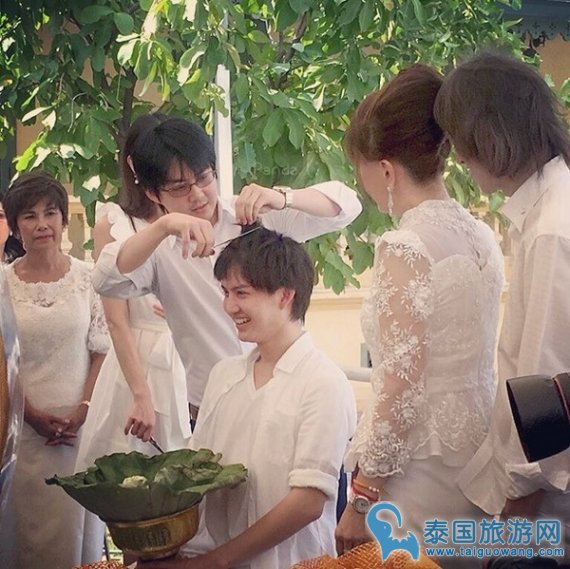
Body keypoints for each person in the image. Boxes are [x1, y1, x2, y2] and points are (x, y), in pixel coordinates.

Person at [335, 64, 504, 568]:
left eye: (361, 169)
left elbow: (401, 385)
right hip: (478, 463)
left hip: (417, 472)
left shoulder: (406, 245)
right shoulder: (483, 236)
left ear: (386, 170)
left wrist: (363, 496)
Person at [92, 116, 362, 418]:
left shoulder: (255, 214)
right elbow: (105, 279)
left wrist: (283, 197)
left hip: (284, 400)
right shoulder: (157, 249)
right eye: (180, 187)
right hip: (211, 407)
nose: (197, 194)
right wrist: (163, 227)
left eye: (204, 178)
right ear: (154, 194)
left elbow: (347, 205)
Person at [141, 227, 357, 569]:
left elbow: (308, 501)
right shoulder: (224, 375)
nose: (229, 306)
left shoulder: (323, 382)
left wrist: (214, 563)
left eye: (241, 293)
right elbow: (196, 472)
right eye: (225, 292)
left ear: (285, 296)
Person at [434, 51, 570, 562]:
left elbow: (546, 388)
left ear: (488, 137)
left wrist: (515, 521)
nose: (458, 159)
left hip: (546, 504)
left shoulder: (553, 226)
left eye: (460, 142)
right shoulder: (544, 209)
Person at [0, 171, 109, 568]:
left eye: (50, 212)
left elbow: (101, 350)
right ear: (16, 227)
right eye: (29, 216)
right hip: (19, 433)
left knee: (74, 535)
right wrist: (27, 414)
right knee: (21, 536)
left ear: (63, 218)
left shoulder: (89, 278)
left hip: (78, 432)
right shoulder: (2, 284)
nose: (42, 224)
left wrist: (83, 409)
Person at [75, 114, 190, 473]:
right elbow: (116, 320)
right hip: (135, 364)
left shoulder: (194, 216)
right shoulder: (115, 222)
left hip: (188, 356)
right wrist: (141, 394)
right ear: (133, 165)